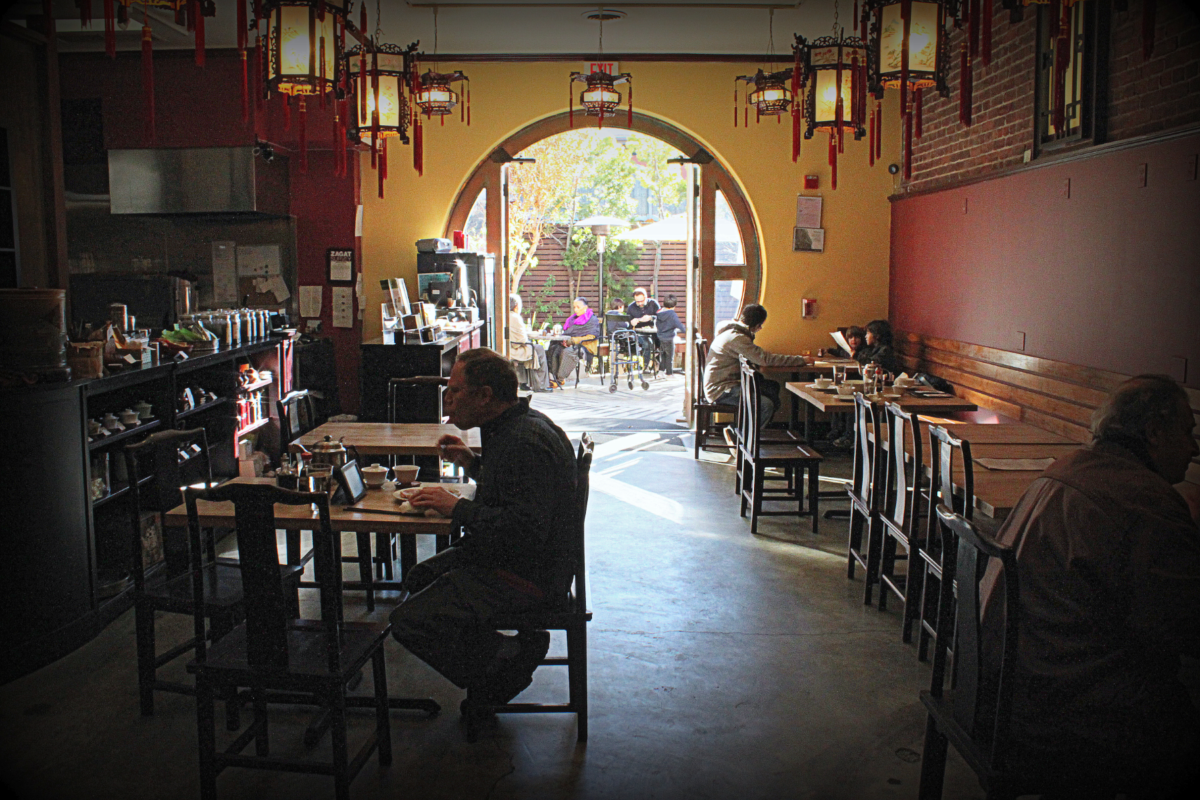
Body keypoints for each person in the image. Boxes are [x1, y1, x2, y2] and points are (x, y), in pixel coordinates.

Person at [977, 374, 1200, 796]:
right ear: (1153, 432)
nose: (1195, 448)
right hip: (1057, 715)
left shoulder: (1064, 468)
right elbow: (1179, 626)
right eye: (1187, 432)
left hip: (1000, 686)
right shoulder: (1145, 499)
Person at [389, 348, 578, 706]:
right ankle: (497, 656)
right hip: (522, 560)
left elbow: (524, 531)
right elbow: (514, 492)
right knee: (418, 579)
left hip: (529, 576)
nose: (448, 399)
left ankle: (507, 660)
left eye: (455, 391)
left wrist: (457, 508)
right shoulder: (516, 427)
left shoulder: (522, 443)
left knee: (409, 621)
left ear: (485, 396)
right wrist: (471, 463)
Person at [703, 304, 807, 429]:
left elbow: (760, 358)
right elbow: (765, 360)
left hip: (723, 385)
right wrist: (801, 360)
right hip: (722, 390)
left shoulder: (731, 332)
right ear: (757, 326)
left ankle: (748, 429)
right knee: (766, 405)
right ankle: (745, 437)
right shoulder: (737, 338)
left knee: (772, 387)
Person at [827, 325, 867, 448]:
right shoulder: (847, 350)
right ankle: (836, 429)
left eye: (857, 337)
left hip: (858, 384)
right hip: (849, 382)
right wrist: (828, 350)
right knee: (836, 397)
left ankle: (847, 435)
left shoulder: (863, 352)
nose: (853, 340)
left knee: (847, 403)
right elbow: (839, 352)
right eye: (850, 338)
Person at [546, 297, 601, 387]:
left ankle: (560, 379)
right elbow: (567, 332)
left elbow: (592, 336)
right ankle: (554, 377)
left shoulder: (592, 319)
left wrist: (572, 341)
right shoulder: (572, 319)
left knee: (568, 352)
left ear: (585, 307)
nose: (575, 309)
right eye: (574, 307)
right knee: (555, 347)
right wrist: (563, 341)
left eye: (578, 307)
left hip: (585, 346)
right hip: (570, 343)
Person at [625, 287, 661, 371]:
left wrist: (651, 317)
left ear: (646, 297)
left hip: (654, 330)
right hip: (639, 332)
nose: (640, 303)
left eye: (642, 301)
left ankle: (659, 363)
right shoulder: (631, 307)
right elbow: (628, 324)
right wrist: (631, 322)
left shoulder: (653, 303)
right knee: (647, 343)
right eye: (637, 301)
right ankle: (646, 365)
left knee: (663, 341)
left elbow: (661, 316)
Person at [654, 294, 686, 376]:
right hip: (669, 337)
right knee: (670, 357)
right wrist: (687, 331)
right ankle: (669, 374)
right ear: (674, 305)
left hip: (661, 337)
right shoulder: (672, 314)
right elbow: (678, 324)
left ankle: (661, 371)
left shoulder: (659, 313)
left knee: (664, 355)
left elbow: (657, 325)